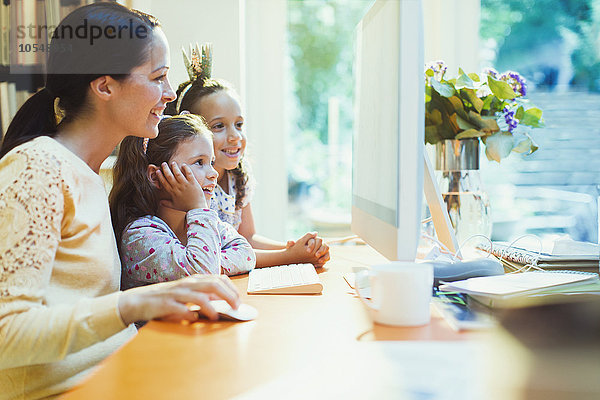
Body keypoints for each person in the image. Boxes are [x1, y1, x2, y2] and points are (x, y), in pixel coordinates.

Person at [0, 4, 239, 399]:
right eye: (159, 77)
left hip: (120, 374)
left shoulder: (92, 173)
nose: (168, 94)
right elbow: (7, 334)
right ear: (105, 86)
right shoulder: (37, 168)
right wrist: (133, 305)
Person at [165, 44, 331, 268]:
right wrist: (290, 257)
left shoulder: (238, 177)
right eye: (219, 126)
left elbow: (248, 238)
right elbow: (212, 256)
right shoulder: (190, 183)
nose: (235, 136)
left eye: (239, 124)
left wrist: (294, 249)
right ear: (191, 131)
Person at [110, 114, 256, 290]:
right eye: (199, 162)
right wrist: (198, 208)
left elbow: (247, 254)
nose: (213, 173)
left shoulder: (201, 223)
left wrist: (210, 261)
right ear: (155, 176)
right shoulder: (139, 235)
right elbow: (203, 273)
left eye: (211, 162)